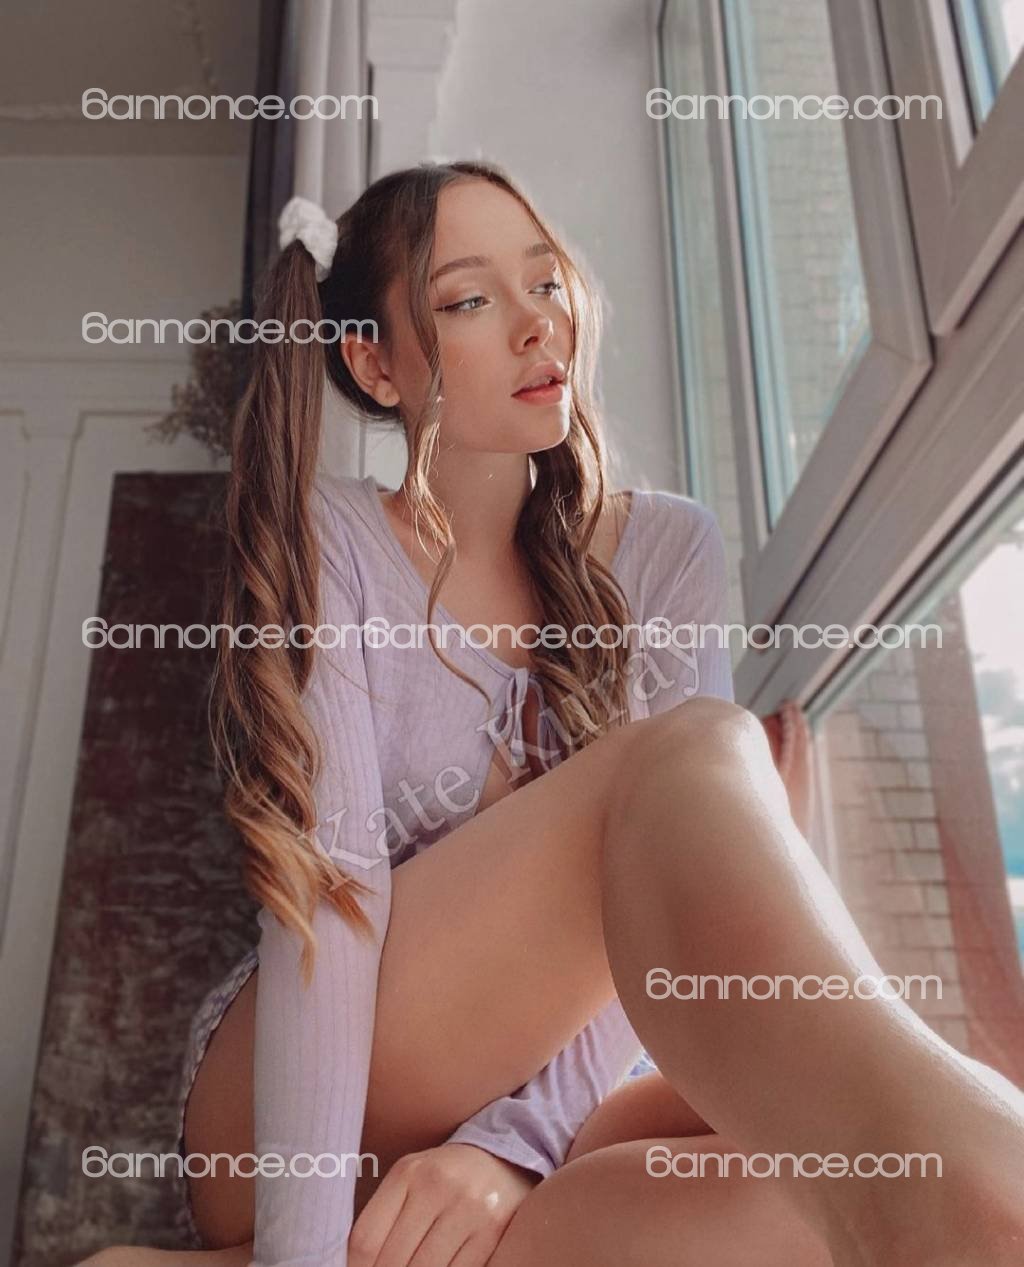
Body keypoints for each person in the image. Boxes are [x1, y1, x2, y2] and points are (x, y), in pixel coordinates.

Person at [80, 160, 1024, 1267]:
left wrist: (509, 1149)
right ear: (376, 363)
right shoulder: (337, 539)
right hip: (298, 1108)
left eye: (544, 282)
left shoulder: (668, 549)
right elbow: (328, 908)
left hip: (547, 1113)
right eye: (470, 299)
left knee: (805, 1169)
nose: (537, 324)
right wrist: (301, 1251)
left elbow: (656, 950)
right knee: (696, 754)